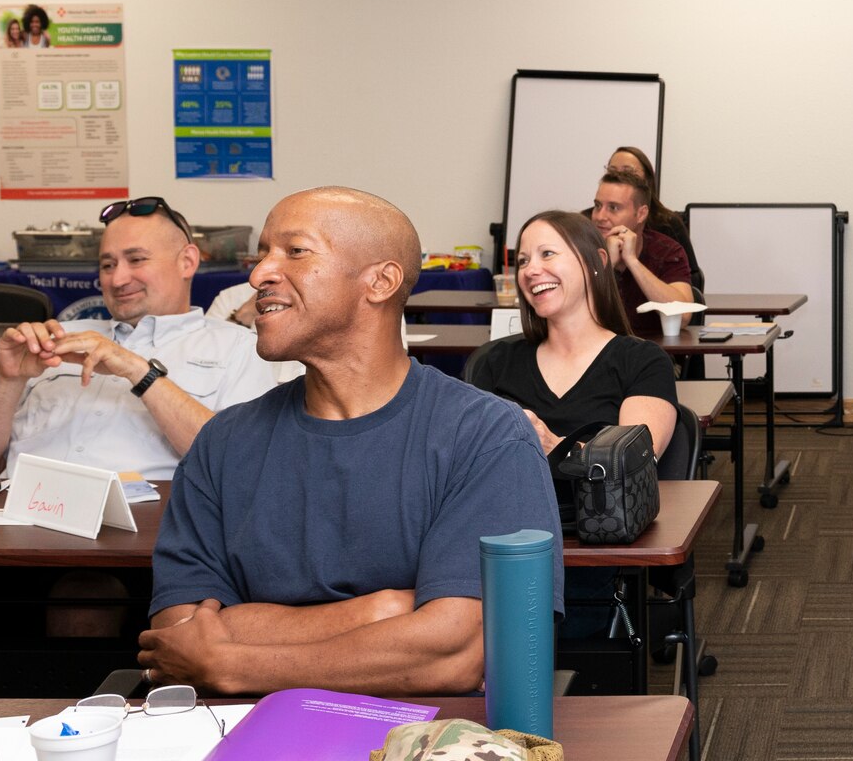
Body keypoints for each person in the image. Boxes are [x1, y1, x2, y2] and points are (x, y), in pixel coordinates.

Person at [143, 187, 562, 697]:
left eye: (295, 251)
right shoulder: (223, 443)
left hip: (425, 754)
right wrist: (379, 611)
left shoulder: (484, 435)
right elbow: (179, 640)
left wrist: (236, 662)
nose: (258, 276)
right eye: (262, 254)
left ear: (380, 282)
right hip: (239, 745)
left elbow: (455, 655)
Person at [0, 196, 276, 481]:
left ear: (187, 261)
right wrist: (7, 379)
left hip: (139, 532)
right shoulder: (60, 339)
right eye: (107, 264)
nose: (118, 279)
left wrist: (140, 373)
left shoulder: (239, 348)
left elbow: (237, 465)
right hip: (15, 522)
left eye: (136, 260)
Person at [467, 210, 677, 637]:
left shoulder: (641, 361)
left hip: (592, 550)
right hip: (500, 546)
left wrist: (549, 444)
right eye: (523, 260)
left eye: (547, 253)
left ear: (595, 261)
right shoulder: (494, 362)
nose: (531, 270)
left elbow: (632, 464)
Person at [589, 169, 694, 336]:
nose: (600, 216)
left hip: (653, 354)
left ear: (641, 214)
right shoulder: (580, 247)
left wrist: (632, 262)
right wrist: (607, 265)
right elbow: (567, 312)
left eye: (613, 208)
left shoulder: (666, 251)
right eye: (598, 206)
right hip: (593, 353)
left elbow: (682, 317)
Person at [605, 145, 698, 276]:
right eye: (612, 171)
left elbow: (690, 280)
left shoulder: (667, 223)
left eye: (628, 172)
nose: (618, 177)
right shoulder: (590, 220)